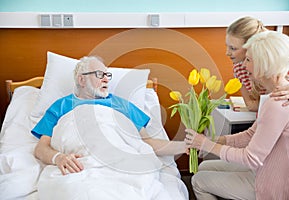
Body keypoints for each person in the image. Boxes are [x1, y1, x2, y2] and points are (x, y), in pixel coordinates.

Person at [185, 31, 289, 200]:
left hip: (273, 186)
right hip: (266, 168)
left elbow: (250, 158)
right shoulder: (278, 95)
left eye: (248, 59)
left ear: (263, 65)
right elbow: (250, 135)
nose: (244, 66)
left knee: (198, 180)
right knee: (204, 167)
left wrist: (206, 145)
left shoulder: (277, 104)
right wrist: (209, 140)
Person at [32, 55, 186, 175]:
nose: (106, 79)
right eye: (99, 74)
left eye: (108, 75)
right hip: (79, 165)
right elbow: (41, 148)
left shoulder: (122, 105)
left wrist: (186, 146)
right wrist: (58, 158)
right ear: (81, 79)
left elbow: (148, 143)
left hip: (122, 163)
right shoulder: (61, 106)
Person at [226, 16, 289, 111]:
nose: (227, 53)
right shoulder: (239, 68)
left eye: (233, 48)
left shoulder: (281, 67)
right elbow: (251, 106)